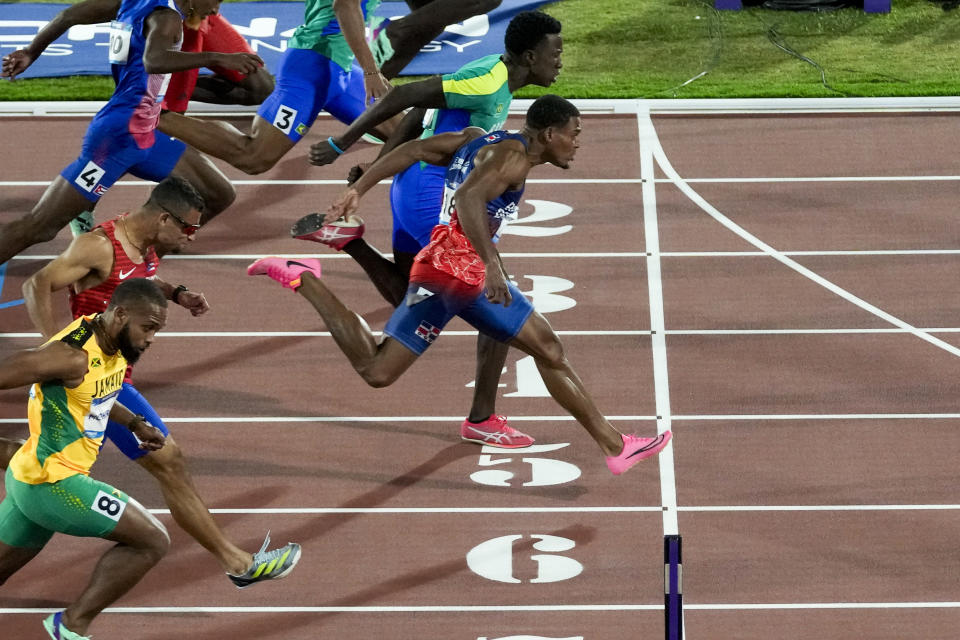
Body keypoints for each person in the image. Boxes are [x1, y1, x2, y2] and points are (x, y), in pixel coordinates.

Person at [250, 95, 673, 475]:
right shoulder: (513, 161)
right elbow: (470, 199)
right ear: (549, 133)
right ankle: (302, 276)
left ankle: (615, 446)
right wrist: (491, 264)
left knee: (548, 348)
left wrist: (359, 188)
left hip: (462, 271)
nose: (578, 142)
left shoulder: (479, 138)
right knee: (378, 371)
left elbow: (414, 149)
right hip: (449, 275)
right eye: (574, 134)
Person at [12, 176, 301, 589]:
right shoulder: (98, 246)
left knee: (30, 473)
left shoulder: (146, 245)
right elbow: (36, 282)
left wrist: (176, 292)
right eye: (187, 228)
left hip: (109, 379)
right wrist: (52, 354)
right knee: (170, 462)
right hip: (92, 380)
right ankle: (238, 564)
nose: (191, 237)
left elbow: (140, 282)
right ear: (164, 217)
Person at [298, 10, 564, 448]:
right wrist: (342, 144)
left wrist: (381, 161)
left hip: (411, 189)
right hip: (434, 196)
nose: (561, 61)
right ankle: (482, 416)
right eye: (556, 52)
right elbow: (402, 96)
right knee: (498, 305)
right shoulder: (486, 80)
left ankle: (352, 244)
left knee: (407, 291)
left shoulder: (490, 78)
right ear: (531, 55)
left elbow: (422, 109)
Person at [0, 0, 263, 265]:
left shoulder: (135, 2)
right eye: (215, 0)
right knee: (40, 226)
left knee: (218, 194)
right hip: (119, 136)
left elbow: (70, 14)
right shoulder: (167, 17)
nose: (216, 11)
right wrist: (217, 57)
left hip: (148, 131)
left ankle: (132, 265)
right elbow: (154, 59)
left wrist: (31, 52)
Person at [0, 278, 171, 640]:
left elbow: (98, 393)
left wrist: (136, 423)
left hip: (30, 479)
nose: (151, 339)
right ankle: (72, 625)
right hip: (55, 484)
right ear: (121, 314)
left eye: (157, 330)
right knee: (153, 541)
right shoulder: (69, 354)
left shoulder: (107, 336)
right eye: (149, 327)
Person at [154, 0, 397, 176]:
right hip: (311, 69)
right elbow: (344, 6)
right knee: (254, 157)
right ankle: (153, 115)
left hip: (339, 71)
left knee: (409, 133)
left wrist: (372, 168)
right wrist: (371, 71)